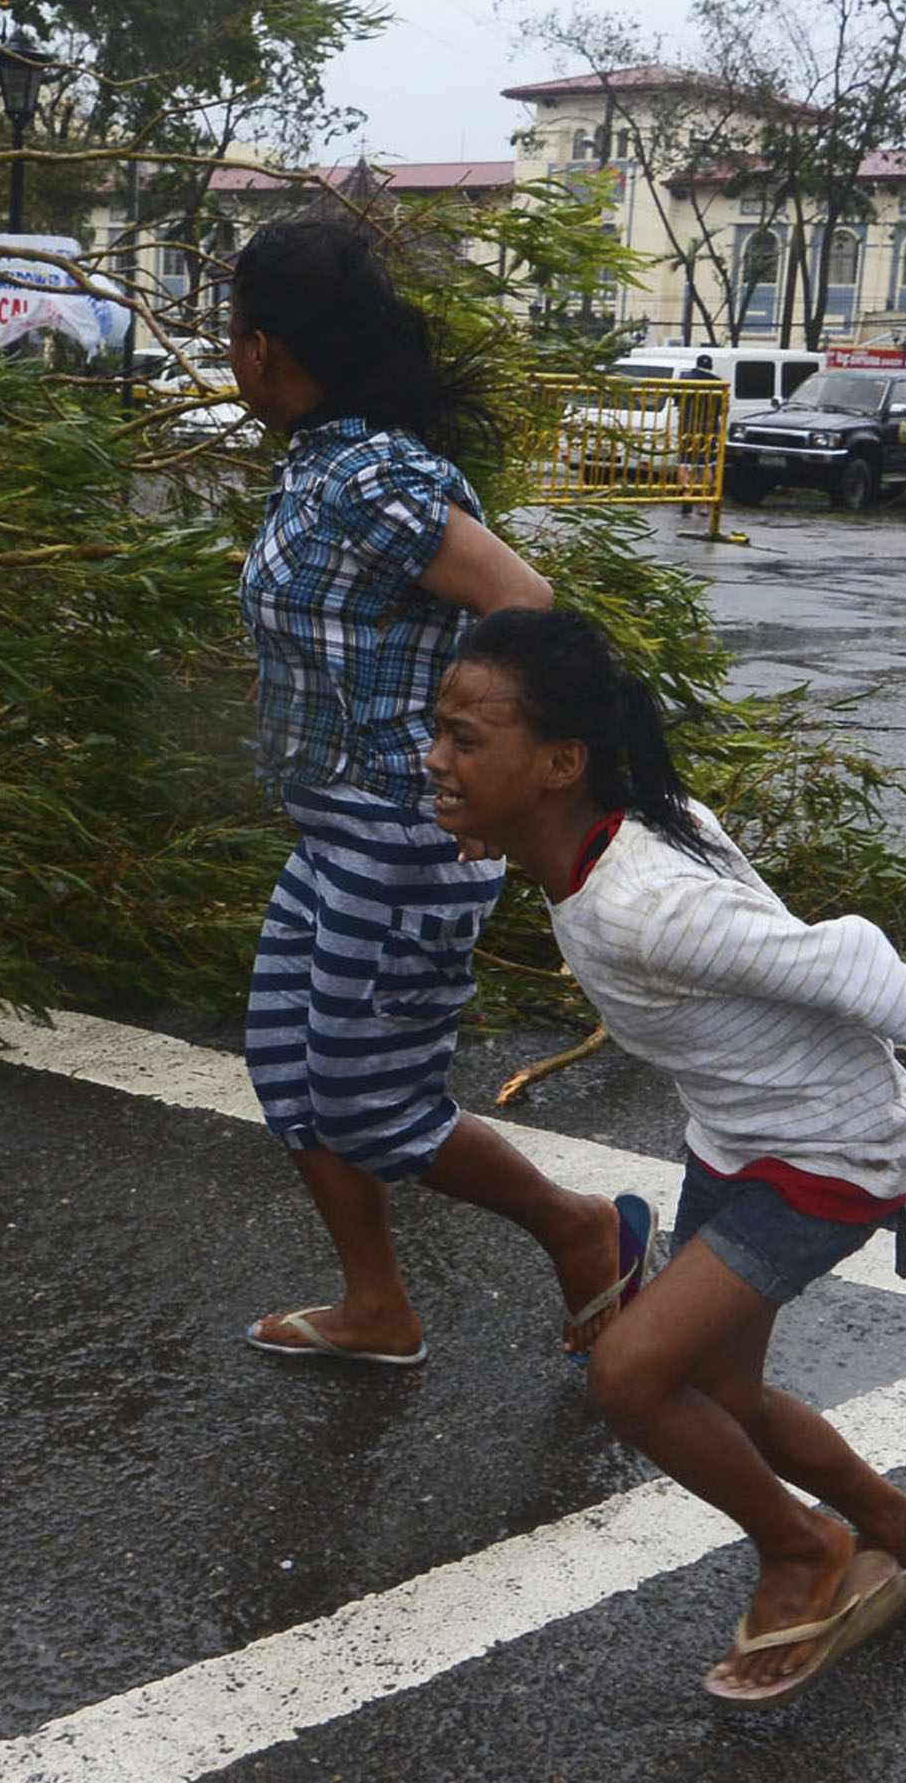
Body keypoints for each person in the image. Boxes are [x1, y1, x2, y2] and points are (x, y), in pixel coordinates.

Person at [424, 607, 906, 1706]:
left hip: (828, 1152)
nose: (435, 756)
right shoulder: (612, 836)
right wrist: (488, 828)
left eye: (463, 738)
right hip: (740, 1138)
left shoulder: (647, 904)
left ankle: (801, 1548)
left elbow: (862, 970)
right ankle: (905, 1530)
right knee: (714, 1390)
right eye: (438, 732)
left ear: (558, 766)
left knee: (632, 1374)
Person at [228, 217, 662, 1369]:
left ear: (263, 345)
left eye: (233, 334)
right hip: (333, 830)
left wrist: (492, 787)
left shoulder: (372, 473)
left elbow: (525, 603)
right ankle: (375, 1305)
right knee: (288, 1067)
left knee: (374, 1104)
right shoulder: (325, 461)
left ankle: (583, 1231)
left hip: (401, 835)